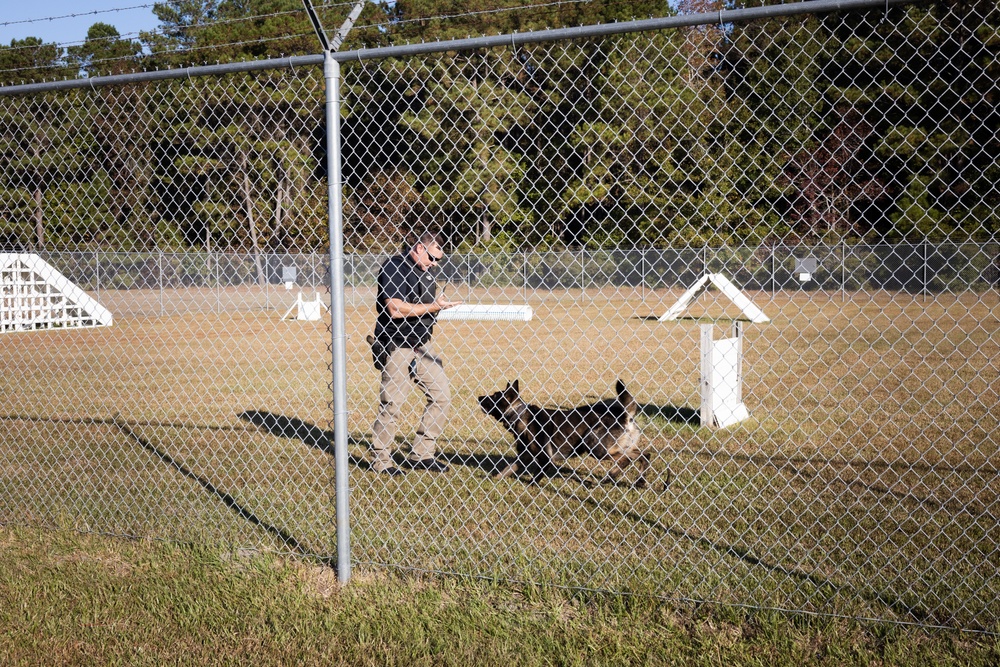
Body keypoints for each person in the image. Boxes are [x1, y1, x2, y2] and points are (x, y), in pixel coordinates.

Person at [369, 229, 462, 476]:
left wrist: (438, 307)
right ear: (420, 247)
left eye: (439, 260)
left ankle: (421, 455)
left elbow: (425, 310)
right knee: (393, 404)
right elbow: (395, 309)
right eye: (432, 258)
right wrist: (433, 306)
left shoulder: (428, 272)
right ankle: (381, 461)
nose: (434, 264)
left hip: (422, 345)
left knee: (442, 396)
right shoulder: (394, 266)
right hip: (397, 343)